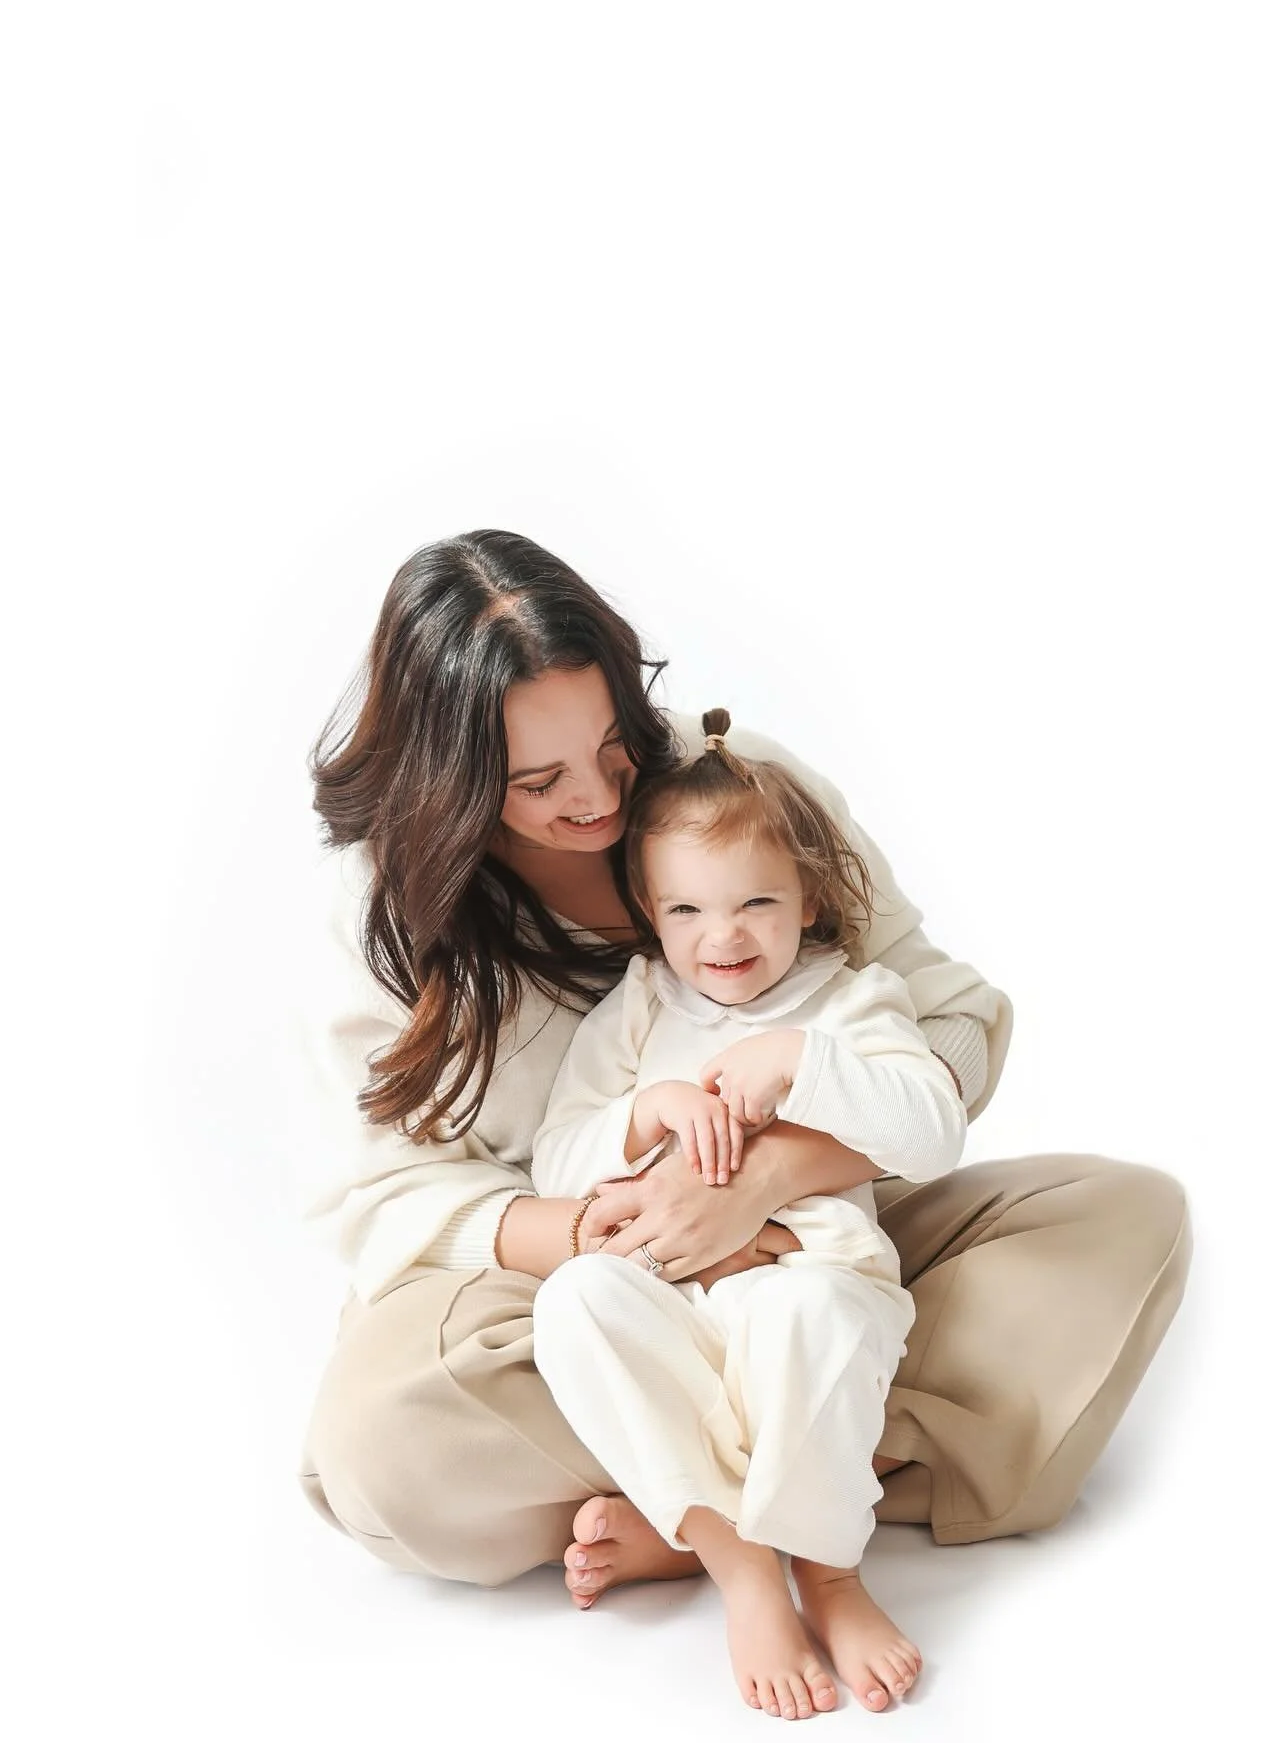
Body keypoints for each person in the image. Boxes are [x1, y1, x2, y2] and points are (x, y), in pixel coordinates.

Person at [299, 529, 1191, 1686]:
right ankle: (795, 1491)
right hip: (580, 1275)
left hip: (819, 1239)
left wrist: (772, 1178)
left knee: (1120, 1217)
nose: (601, 798)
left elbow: (953, 1023)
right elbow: (383, 1201)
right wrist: (630, 1225)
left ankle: (713, 1510)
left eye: (616, 744)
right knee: (383, 1443)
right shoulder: (385, 915)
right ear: (451, 781)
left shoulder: (735, 792)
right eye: (538, 781)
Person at [530, 709, 959, 1716]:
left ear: (808, 898)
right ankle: (743, 1571)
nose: (722, 938)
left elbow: (933, 1129)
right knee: (575, 1303)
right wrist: (643, 1113)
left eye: (757, 902)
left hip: (805, 1284)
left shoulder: (851, 1001)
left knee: (803, 1324)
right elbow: (557, 1154)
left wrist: (802, 1062)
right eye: (686, 912)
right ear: (648, 909)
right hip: (669, 1294)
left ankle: (830, 1575)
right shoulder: (638, 1008)